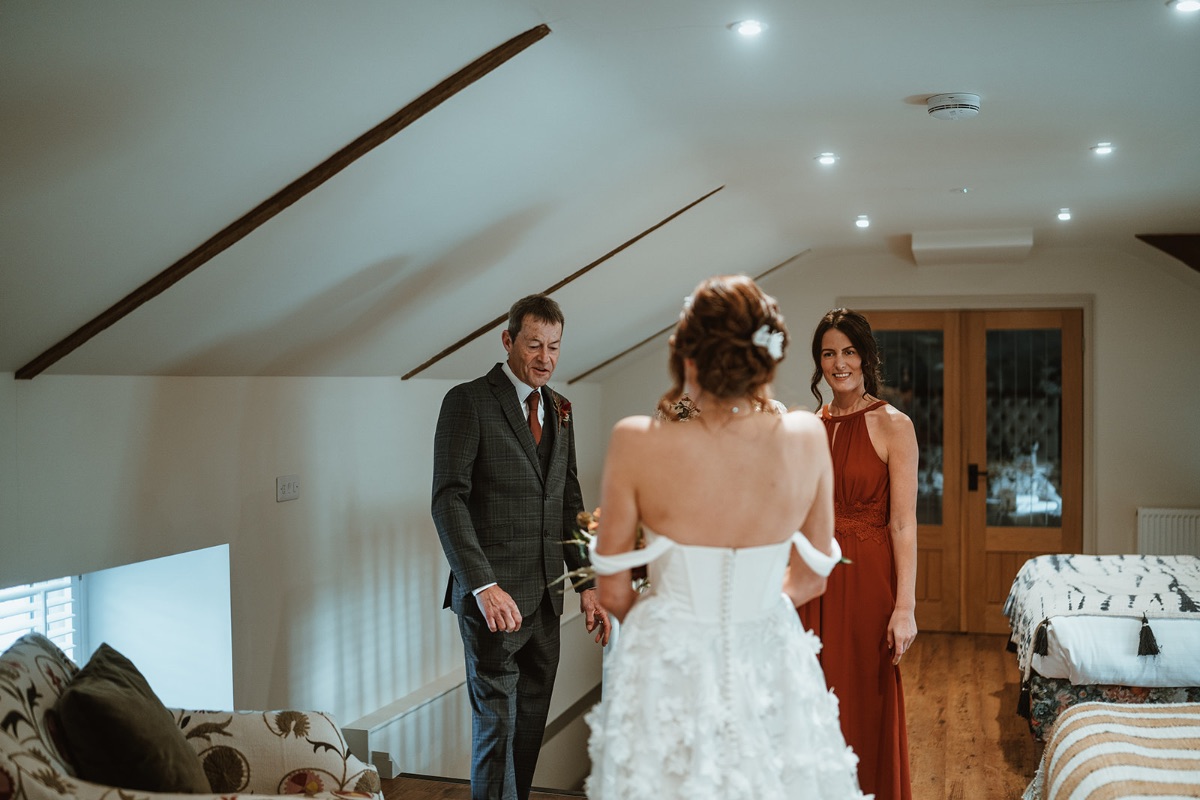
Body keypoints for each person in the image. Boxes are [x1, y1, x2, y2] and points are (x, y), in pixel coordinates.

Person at [584, 275, 868, 800]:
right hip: (769, 655)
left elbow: (614, 593)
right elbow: (811, 580)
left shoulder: (636, 441)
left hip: (669, 662)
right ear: (767, 355)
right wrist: (749, 609)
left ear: (686, 355)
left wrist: (677, 622)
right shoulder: (806, 435)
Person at [431, 293, 612, 800]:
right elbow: (448, 501)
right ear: (508, 340)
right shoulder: (468, 401)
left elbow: (569, 499)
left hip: (547, 603)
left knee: (528, 728)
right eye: (534, 345)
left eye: (554, 346)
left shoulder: (561, 408)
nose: (545, 358)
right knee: (497, 729)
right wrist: (482, 585)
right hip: (494, 603)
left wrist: (587, 583)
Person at [798, 308, 918, 800]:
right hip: (811, 581)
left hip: (868, 581)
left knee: (863, 699)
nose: (839, 363)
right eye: (829, 353)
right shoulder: (806, 426)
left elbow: (903, 523)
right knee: (809, 697)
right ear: (819, 362)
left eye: (849, 352)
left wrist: (905, 607)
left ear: (866, 357)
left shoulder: (894, 425)